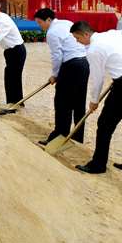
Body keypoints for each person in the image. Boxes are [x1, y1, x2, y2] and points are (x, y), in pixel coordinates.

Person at [70, 22, 122, 174]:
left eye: (78, 38)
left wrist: (94, 101)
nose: (77, 41)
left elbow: (97, 79)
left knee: (105, 124)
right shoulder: (112, 33)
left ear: (86, 34)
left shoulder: (94, 50)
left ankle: (98, 165)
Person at [34, 8, 89, 145]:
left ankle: (60, 135)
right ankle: (77, 137)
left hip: (71, 65)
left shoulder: (52, 33)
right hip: (84, 63)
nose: (39, 26)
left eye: (40, 22)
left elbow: (57, 56)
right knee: (79, 101)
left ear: (48, 20)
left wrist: (55, 75)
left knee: (62, 102)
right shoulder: (66, 22)